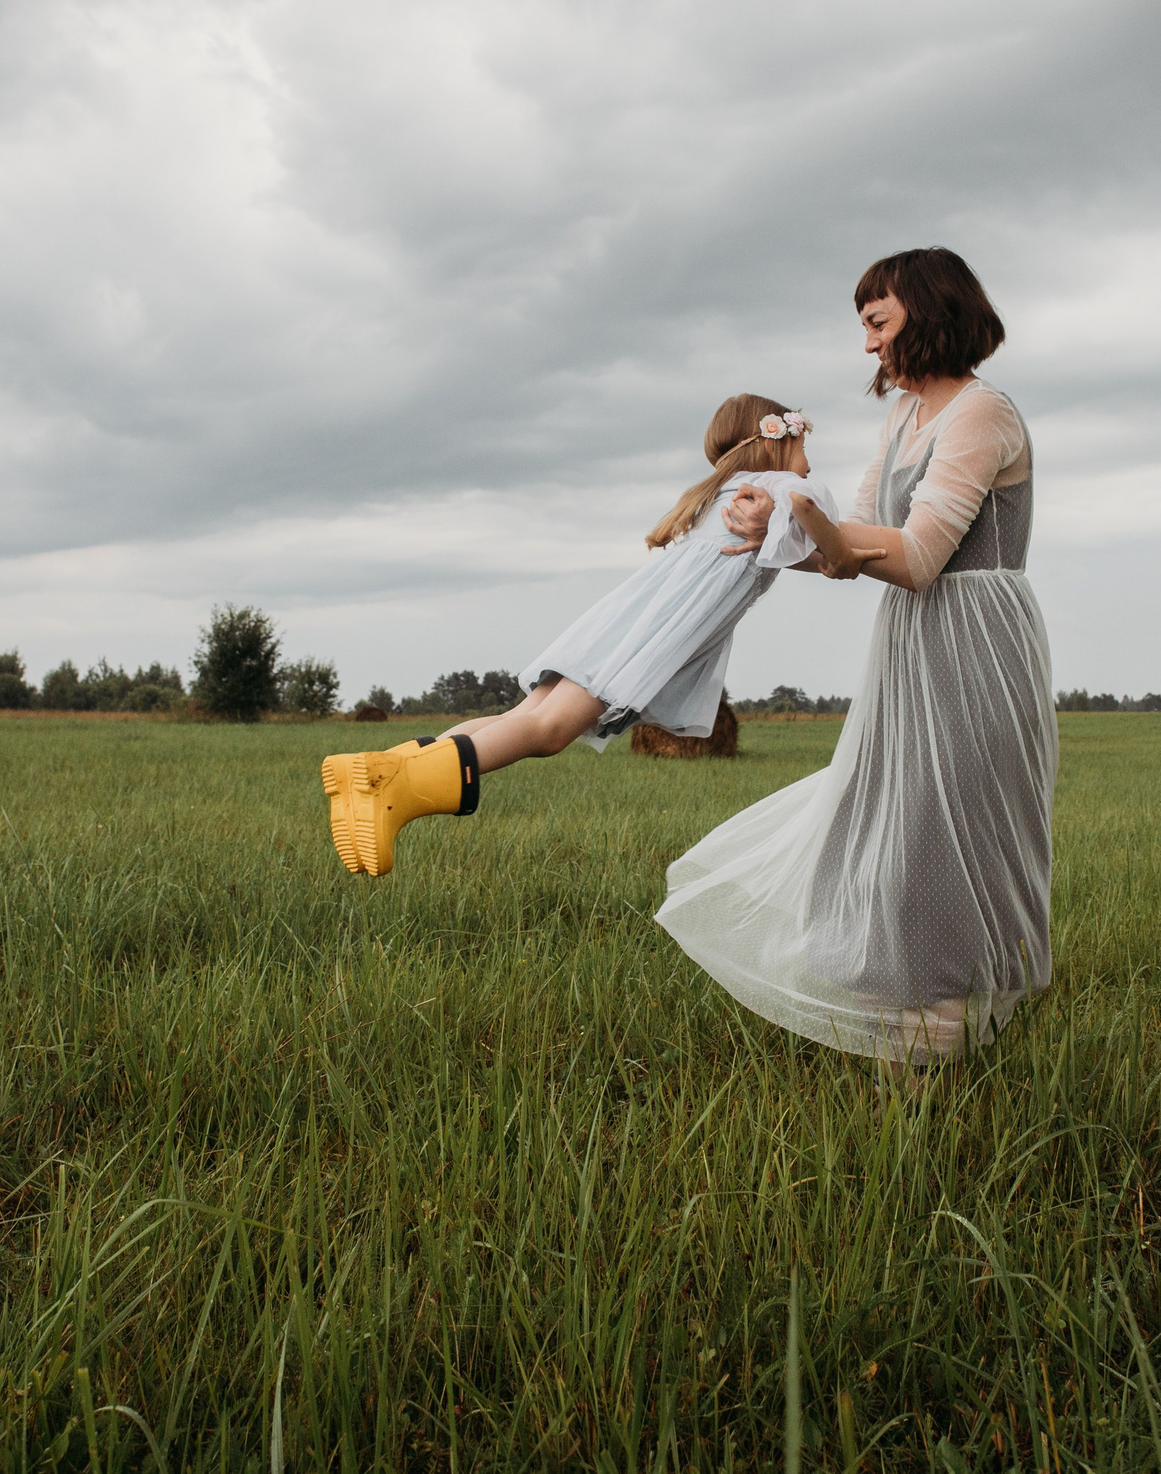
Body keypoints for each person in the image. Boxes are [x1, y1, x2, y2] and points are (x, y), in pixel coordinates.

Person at [659, 247, 1056, 1063]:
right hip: (912, 637)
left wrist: (803, 513)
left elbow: (913, 556)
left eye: (877, 322)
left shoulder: (982, 412)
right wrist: (770, 527)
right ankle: (915, 1020)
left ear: (929, 310)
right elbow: (850, 550)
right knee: (892, 814)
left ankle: (941, 1042)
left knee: (944, 831)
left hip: (976, 633)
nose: (868, 345)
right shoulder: (904, 418)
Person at [320, 395, 870, 877]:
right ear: (775, 439)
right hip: (648, 636)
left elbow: (775, 550)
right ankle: (394, 791)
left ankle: (375, 771)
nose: (809, 451)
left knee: (522, 719)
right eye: (804, 437)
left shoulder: (725, 492)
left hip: (621, 621)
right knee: (551, 730)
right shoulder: (782, 485)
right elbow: (805, 511)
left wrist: (818, 557)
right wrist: (840, 555)